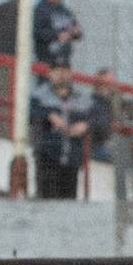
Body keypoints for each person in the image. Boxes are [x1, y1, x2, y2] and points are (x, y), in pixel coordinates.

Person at [30, 64, 95, 199]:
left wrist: (85, 125)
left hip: (72, 157)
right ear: (51, 74)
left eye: (65, 71)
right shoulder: (40, 95)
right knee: (47, 200)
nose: (61, 75)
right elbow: (31, 112)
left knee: (68, 202)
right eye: (58, 71)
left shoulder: (80, 98)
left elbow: (99, 118)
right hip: (47, 155)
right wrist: (50, 116)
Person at [35, 0, 85, 68]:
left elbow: (77, 30)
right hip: (47, 59)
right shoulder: (41, 9)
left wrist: (75, 32)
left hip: (64, 60)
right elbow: (37, 32)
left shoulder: (64, 11)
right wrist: (57, 35)